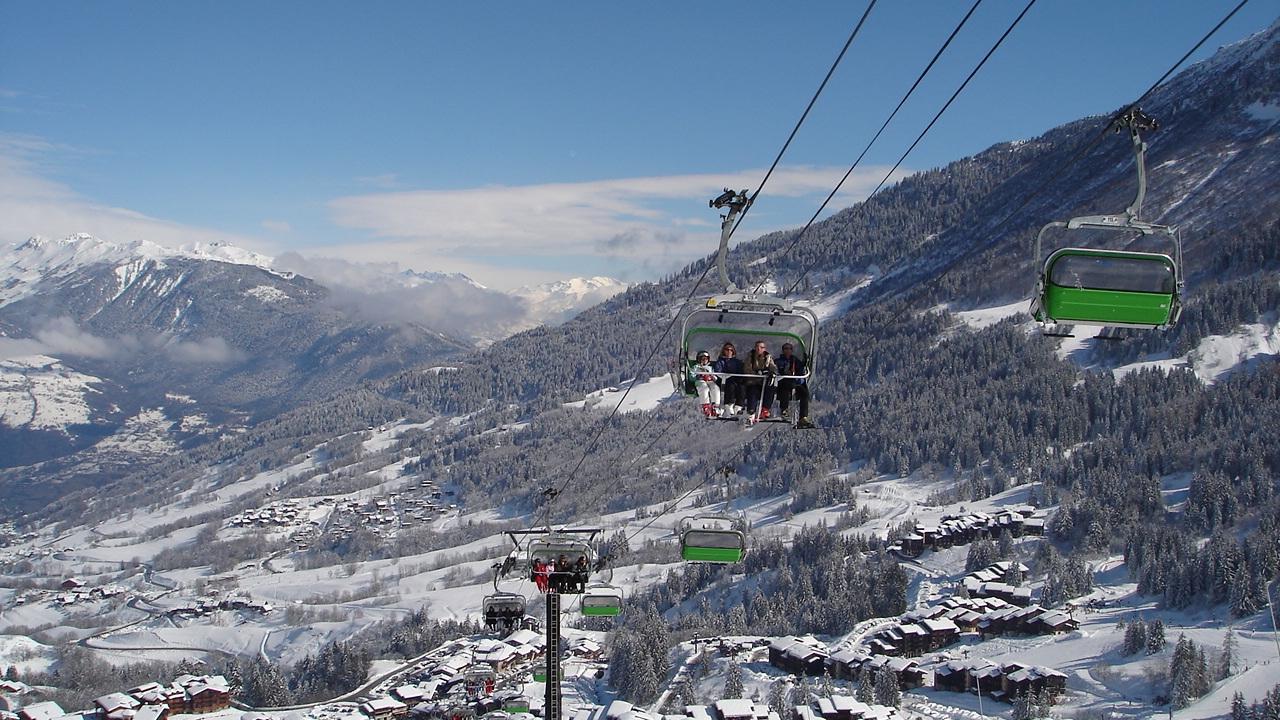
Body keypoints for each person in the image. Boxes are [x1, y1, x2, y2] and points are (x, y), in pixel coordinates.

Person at [775, 342, 814, 429]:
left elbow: (800, 371)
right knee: (785, 387)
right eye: (786, 348)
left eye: (789, 349)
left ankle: (803, 417)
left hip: (794, 382)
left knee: (804, 393)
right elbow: (776, 370)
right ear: (783, 350)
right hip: (782, 382)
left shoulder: (795, 361)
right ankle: (784, 409)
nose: (788, 350)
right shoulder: (779, 361)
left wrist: (805, 362)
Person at [743, 340, 778, 421]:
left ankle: (765, 409)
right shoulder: (750, 356)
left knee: (770, 388)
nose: (759, 349)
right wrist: (756, 373)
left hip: (764, 382)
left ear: (764, 349)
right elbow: (746, 368)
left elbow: (773, 367)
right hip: (753, 381)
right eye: (757, 347)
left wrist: (771, 372)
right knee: (753, 391)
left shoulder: (767, 357)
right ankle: (751, 412)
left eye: (761, 347)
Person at [712, 342, 745, 417]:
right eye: (727, 349)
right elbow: (717, 371)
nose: (729, 351)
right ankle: (729, 404)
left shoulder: (736, 362)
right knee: (730, 385)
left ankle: (738, 406)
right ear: (723, 351)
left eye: (731, 350)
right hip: (724, 380)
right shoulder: (720, 361)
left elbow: (740, 371)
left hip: (735, 380)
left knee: (742, 387)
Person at [690, 350, 721, 419]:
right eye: (702, 359)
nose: (704, 360)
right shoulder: (696, 367)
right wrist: (697, 376)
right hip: (700, 381)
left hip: (709, 381)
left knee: (715, 388)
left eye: (706, 359)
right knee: (704, 389)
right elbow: (691, 376)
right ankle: (706, 407)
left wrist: (712, 376)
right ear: (699, 359)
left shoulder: (710, 368)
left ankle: (715, 406)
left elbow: (715, 376)